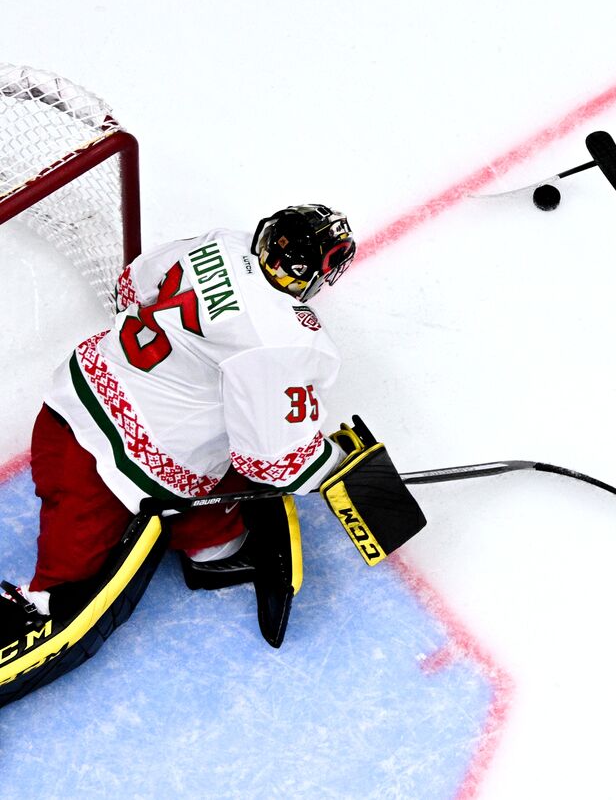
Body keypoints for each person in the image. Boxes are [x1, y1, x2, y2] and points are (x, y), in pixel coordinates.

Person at [0, 205, 361, 706]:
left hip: (71, 401)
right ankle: (38, 604)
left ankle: (212, 550)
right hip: (107, 473)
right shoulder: (280, 340)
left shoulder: (219, 243)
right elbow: (273, 465)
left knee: (206, 465)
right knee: (67, 584)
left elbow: (132, 284)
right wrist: (331, 460)